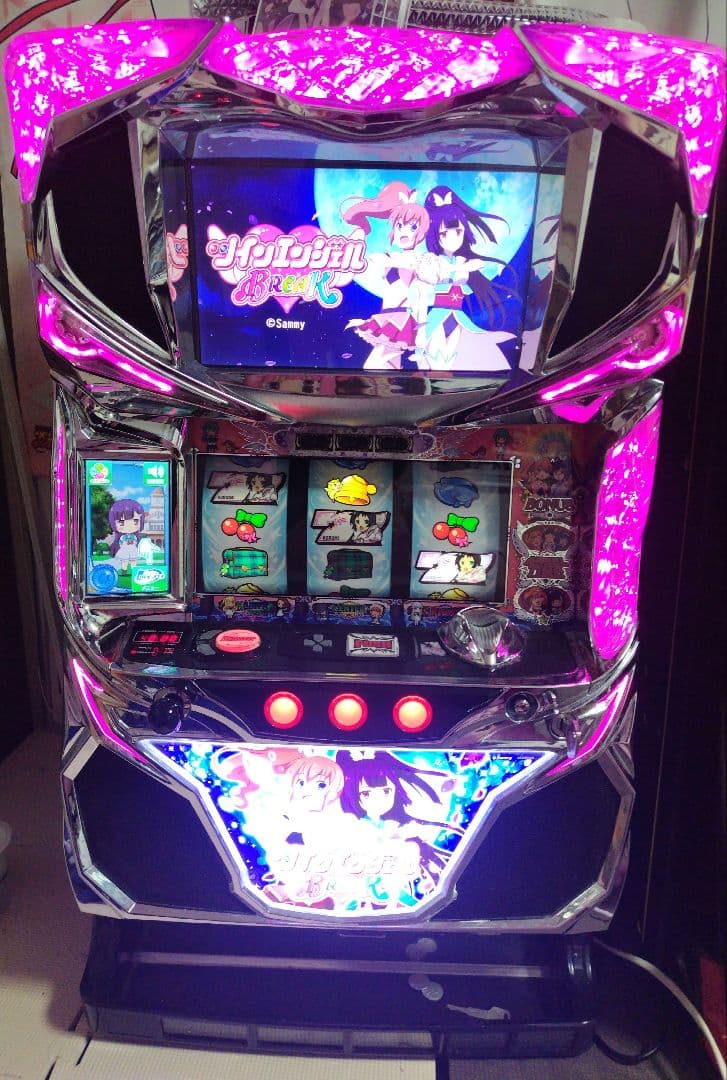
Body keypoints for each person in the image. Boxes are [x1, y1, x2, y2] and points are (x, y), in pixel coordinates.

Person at [414, 185, 516, 371]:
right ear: (435, 235)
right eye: (444, 233)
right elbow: (425, 289)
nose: (452, 238)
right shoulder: (433, 261)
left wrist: (463, 267)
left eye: (458, 232)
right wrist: (420, 331)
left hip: (458, 317)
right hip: (438, 317)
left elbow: (475, 268)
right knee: (435, 362)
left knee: (449, 362)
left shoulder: (463, 260)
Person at [341, 181, 430, 369]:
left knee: (372, 367)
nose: (404, 232)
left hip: (401, 321)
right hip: (386, 318)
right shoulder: (385, 258)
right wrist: (361, 230)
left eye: (413, 227)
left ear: (421, 233)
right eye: (400, 226)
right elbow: (356, 262)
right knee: (389, 368)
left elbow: (421, 297)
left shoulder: (420, 262)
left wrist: (422, 331)